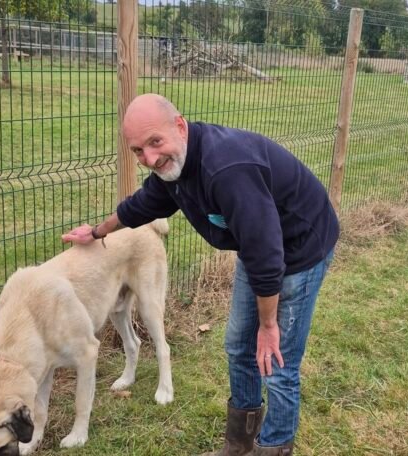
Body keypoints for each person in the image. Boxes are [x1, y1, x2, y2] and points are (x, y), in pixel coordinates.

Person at [62, 94, 339, 455]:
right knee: (239, 345)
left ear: (180, 126)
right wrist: (97, 233)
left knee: (277, 360)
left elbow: (267, 259)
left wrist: (268, 325)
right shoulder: (172, 169)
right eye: (137, 151)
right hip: (257, 247)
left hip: (301, 246)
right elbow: (141, 206)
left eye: (155, 142)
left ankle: (273, 448)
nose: (149, 158)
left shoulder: (226, 170)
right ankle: (239, 445)